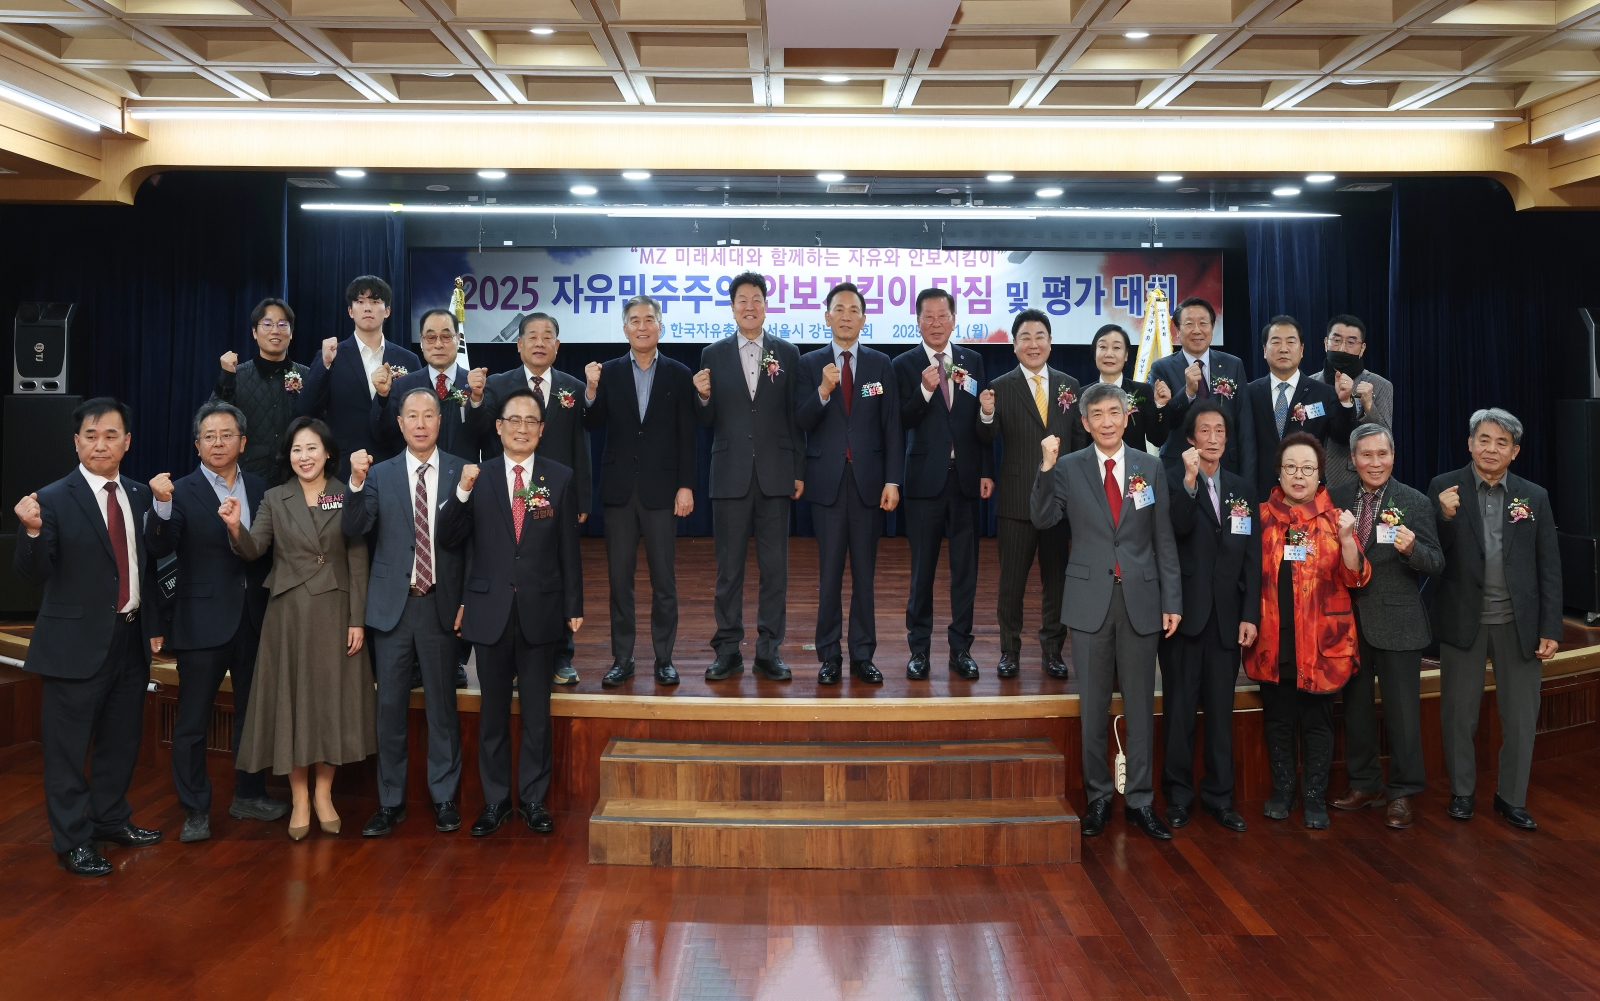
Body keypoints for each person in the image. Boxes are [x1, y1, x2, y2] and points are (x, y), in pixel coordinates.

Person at [13, 398, 163, 877]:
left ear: (127, 442)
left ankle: (110, 819)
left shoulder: (139, 494)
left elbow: (146, 567)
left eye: (111, 435)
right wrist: (32, 532)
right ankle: (71, 840)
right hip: (74, 646)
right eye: (92, 436)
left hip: (131, 637)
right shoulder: (51, 498)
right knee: (67, 750)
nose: (102, 444)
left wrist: (153, 626)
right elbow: (32, 573)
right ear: (76, 442)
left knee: (120, 743)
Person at [1031, 381, 1182, 841]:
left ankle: (1139, 801)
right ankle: (1098, 798)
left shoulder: (1150, 467)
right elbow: (1041, 518)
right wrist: (1045, 467)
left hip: (1141, 599)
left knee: (1139, 707)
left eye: (1114, 412)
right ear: (1085, 423)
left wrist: (1172, 600)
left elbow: (1163, 540)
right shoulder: (1069, 468)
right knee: (1093, 708)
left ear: (1126, 416)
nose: (1107, 421)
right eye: (1097, 415)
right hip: (1089, 599)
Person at [436, 389, 582, 837]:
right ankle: (496, 801)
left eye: (531, 421)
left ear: (542, 429)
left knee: (537, 713)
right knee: (493, 714)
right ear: (497, 427)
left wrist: (573, 605)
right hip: (490, 608)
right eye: (513, 420)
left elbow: (568, 550)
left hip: (541, 608)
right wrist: (460, 491)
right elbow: (449, 537)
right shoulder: (477, 476)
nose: (522, 428)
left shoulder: (560, 478)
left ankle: (533, 800)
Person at [220, 417, 375, 840]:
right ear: (288, 456)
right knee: (293, 705)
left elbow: (358, 560)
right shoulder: (274, 498)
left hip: (336, 611)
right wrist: (235, 526)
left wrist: (358, 618)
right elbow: (254, 549)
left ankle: (324, 793)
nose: (303, 457)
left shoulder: (347, 494)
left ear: (327, 452)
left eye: (311, 448)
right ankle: (300, 797)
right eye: (296, 450)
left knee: (330, 704)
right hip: (288, 614)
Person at [146, 401, 285, 844]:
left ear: (243, 442)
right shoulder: (178, 491)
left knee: (252, 714)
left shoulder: (263, 488)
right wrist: (162, 507)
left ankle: (249, 793)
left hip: (254, 620)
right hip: (201, 621)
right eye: (210, 436)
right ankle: (195, 810)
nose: (218, 442)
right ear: (197, 445)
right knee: (192, 721)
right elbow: (159, 545)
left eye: (227, 434)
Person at [1428, 408, 1562, 831]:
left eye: (1501, 442)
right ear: (1470, 443)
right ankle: (1462, 793)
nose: (1491, 449)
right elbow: (1431, 554)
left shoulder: (1533, 496)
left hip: (1519, 624)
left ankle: (1511, 797)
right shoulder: (1442, 488)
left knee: (1521, 718)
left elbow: (1549, 566)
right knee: (1457, 715)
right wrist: (1444, 517)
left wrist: (1551, 628)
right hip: (1463, 621)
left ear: (1515, 451)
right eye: (1484, 439)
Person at [344, 388, 468, 838]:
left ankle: (444, 798)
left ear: (440, 420)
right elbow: (355, 527)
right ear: (399, 424)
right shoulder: (379, 474)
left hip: (439, 604)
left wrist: (465, 600)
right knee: (389, 710)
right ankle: (390, 802)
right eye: (411, 415)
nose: (420, 423)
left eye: (428, 415)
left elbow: (470, 543)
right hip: (391, 609)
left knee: (442, 710)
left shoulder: (460, 470)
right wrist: (354, 483)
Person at [1245, 432, 1369, 830]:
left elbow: (1357, 576)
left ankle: (1314, 795)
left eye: (1308, 468)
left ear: (1320, 475)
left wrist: (1348, 540)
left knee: (1317, 722)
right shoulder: (1260, 517)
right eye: (1291, 467)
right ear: (1278, 472)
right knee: (1278, 719)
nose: (1299, 476)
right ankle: (1283, 792)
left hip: (1321, 641)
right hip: (1274, 637)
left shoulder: (1336, 519)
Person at [1329, 424, 1443, 830]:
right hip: (1348, 624)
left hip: (1399, 624)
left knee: (1402, 715)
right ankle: (1365, 784)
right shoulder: (1337, 498)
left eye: (1383, 454)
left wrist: (1412, 549)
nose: (1375, 463)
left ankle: (1403, 791)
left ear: (1393, 456)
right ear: (1353, 460)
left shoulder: (1412, 500)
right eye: (1366, 455)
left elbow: (1436, 561)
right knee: (1356, 710)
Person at [694, 272, 804, 683]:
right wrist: (702, 396)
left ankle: (768, 650)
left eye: (756, 298)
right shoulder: (712, 353)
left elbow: (795, 418)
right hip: (730, 474)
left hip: (776, 474)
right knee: (729, 570)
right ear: (733, 306)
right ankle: (727, 651)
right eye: (742, 299)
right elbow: (706, 419)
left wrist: (798, 470)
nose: (750, 305)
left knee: (775, 570)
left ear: (766, 305)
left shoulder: (788, 353)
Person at [583, 296, 697, 688]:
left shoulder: (680, 374)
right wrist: (592, 390)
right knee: (620, 581)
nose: (643, 326)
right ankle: (623, 658)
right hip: (619, 491)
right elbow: (593, 422)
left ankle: (664, 658)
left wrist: (686, 484)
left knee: (664, 580)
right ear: (625, 328)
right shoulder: (610, 372)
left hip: (663, 490)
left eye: (650, 319)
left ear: (661, 326)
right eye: (635, 320)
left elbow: (688, 435)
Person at [473, 312, 590, 684]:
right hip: (507, 494)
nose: (540, 342)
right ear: (518, 343)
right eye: (532, 336)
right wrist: (475, 399)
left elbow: (579, 445)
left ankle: (561, 654)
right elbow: (479, 432)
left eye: (548, 335)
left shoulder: (571, 386)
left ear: (558, 344)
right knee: (513, 569)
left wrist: (582, 498)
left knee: (557, 570)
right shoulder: (496, 385)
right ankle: (509, 652)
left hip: (559, 494)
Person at [795, 282, 902, 685]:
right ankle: (829, 656)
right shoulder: (810, 365)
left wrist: (893, 480)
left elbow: (891, 425)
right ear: (827, 317)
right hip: (826, 484)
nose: (845, 315)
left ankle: (862, 655)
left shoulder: (880, 365)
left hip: (869, 484)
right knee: (828, 576)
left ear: (862, 318)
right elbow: (801, 421)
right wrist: (823, 390)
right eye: (837, 309)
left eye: (852, 309)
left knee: (864, 574)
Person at [1161, 400, 1258, 833]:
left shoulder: (1241, 488)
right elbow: (1178, 529)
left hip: (1226, 619)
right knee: (1180, 712)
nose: (1214, 438)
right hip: (1183, 617)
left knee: (1221, 714)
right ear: (1190, 439)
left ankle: (1220, 798)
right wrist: (1188, 481)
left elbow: (1251, 558)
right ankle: (1178, 798)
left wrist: (1249, 613)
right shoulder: (1171, 481)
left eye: (1220, 430)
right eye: (1205, 431)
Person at [976, 309, 1085, 680]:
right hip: (1016, 500)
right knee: (1012, 582)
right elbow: (987, 439)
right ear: (1014, 345)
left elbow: (1080, 442)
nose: (1033, 344)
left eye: (1040, 336)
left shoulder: (1071, 386)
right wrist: (987, 414)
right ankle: (1010, 650)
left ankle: (1053, 650)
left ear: (1051, 343)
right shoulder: (1000, 387)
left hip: (1059, 503)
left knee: (1056, 580)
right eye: (1025, 337)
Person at [892, 287, 994, 681]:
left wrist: (986, 469)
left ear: (955, 319)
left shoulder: (973, 360)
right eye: (928, 317)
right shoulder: (903, 365)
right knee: (922, 571)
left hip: (966, 479)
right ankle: (919, 650)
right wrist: (924, 390)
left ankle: (960, 649)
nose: (936, 323)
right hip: (923, 481)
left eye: (943, 315)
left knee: (965, 570)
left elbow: (979, 420)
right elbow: (901, 420)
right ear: (918, 321)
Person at [297, 276, 421, 477]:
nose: (367, 308)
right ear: (350, 311)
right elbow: (306, 410)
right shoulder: (331, 356)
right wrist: (325, 365)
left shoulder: (408, 360)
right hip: (344, 465)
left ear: (387, 311)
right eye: (360, 302)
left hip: (395, 463)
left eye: (375, 302)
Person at [1240, 315, 1355, 501]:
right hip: (1260, 495)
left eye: (1291, 342)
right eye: (1276, 342)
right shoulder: (1248, 393)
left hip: (1307, 495)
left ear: (1302, 350)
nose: (1283, 349)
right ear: (1264, 350)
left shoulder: (1323, 393)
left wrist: (1345, 402)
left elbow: (1342, 437)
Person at [1147, 297, 1252, 478]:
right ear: (1177, 331)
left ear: (1212, 328)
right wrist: (1187, 393)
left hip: (1227, 467)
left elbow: (1245, 426)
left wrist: (1249, 480)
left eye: (1203, 323)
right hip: (1178, 469)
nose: (1197, 330)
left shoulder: (1232, 365)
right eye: (1189, 324)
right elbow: (1160, 430)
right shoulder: (1162, 368)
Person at [212, 298, 309, 485]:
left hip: (296, 477)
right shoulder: (237, 375)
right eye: (267, 324)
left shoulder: (305, 375)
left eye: (283, 324)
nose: (275, 330)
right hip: (249, 479)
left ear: (291, 332)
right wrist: (226, 377)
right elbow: (213, 417)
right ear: (254, 332)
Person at [372, 308, 487, 462]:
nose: (438, 344)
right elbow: (381, 435)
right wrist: (383, 397)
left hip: (463, 479)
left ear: (458, 339)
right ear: (421, 341)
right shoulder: (402, 386)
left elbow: (486, 435)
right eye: (431, 337)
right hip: (414, 479)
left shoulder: (475, 385)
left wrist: (477, 398)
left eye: (446, 336)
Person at [1310, 314, 1391, 492]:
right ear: (1325, 343)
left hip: (1355, 480)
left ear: (1362, 349)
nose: (1343, 349)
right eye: (1336, 340)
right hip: (1310, 480)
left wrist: (1369, 405)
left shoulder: (1380, 385)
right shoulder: (1309, 384)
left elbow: (1385, 440)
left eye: (1351, 342)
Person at [1090, 322, 1170, 453]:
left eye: (1116, 348)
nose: (1109, 353)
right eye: (1103, 347)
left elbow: (1157, 440)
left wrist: (1160, 406)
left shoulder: (1143, 392)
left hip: (1135, 470)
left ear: (1126, 355)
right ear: (1094, 354)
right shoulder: (1083, 394)